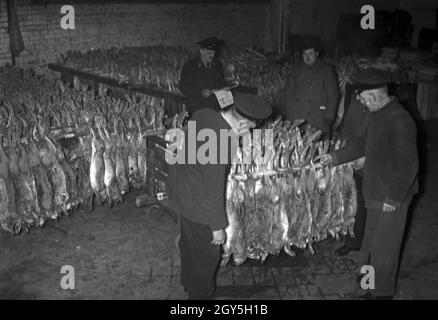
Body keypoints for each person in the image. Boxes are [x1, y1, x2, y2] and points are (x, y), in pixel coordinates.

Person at [317, 70, 419, 300]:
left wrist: (393, 199)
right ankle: (368, 282)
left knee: (385, 249)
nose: (361, 104)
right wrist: (334, 157)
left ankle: (382, 293)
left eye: (362, 100)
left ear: (373, 97)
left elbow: (408, 164)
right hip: (375, 190)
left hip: (392, 196)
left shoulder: (400, 120)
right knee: (372, 244)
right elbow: (361, 144)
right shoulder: (378, 114)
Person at [166, 93, 272, 300]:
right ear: (244, 122)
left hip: (180, 191)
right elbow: (212, 188)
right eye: (251, 126)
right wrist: (217, 228)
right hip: (197, 204)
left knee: (189, 246)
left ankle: (188, 282)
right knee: (207, 257)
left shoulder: (204, 114)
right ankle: (198, 296)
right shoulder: (222, 143)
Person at [334, 98, 370, 256]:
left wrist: (367, 158)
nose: (359, 98)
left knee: (366, 202)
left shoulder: (382, 111)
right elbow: (347, 131)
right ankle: (351, 240)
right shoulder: (356, 104)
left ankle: (365, 246)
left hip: (372, 165)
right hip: (352, 156)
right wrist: (343, 154)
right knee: (353, 201)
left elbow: (383, 142)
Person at [284, 38, 339, 138]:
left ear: (317, 54)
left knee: (318, 148)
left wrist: (329, 116)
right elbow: (289, 92)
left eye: (310, 53)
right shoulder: (296, 69)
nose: (307, 57)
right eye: (305, 54)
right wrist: (289, 115)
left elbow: (333, 95)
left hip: (318, 117)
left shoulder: (326, 70)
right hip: (298, 117)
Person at [179, 37, 228, 116]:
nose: (212, 56)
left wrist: (225, 88)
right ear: (201, 51)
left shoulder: (217, 65)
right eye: (209, 53)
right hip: (195, 109)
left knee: (214, 128)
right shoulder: (190, 65)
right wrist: (200, 92)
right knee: (193, 128)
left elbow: (221, 82)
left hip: (214, 109)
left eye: (213, 53)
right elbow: (183, 87)